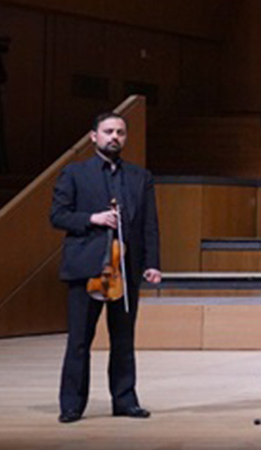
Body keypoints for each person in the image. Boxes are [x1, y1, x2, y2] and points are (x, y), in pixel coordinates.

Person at [50, 112, 160, 423]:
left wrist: (152, 263)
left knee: (123, 339)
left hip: (124, 268)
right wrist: (92, 218)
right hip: (87, 268)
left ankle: (125, 400)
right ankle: (72, 405)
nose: (115, 137)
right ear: (94, 136)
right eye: (109, 131)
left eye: (120, 132)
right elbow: (58, 216)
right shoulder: (74, 173)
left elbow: (149, 224)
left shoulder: (140, 177)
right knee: (79, 340)